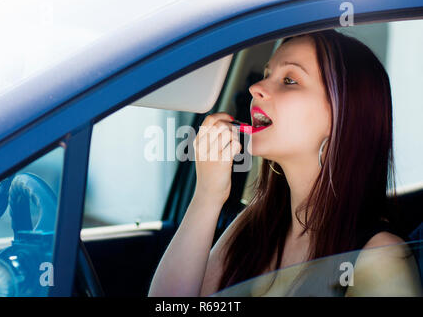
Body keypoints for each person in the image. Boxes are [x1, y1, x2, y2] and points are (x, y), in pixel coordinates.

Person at [148, 29, 421, 297]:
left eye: (289, 80)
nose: (256, 88)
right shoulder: (256, 223)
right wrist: (207, 194)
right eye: (267, 74)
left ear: (341, 119)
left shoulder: (378, 258)